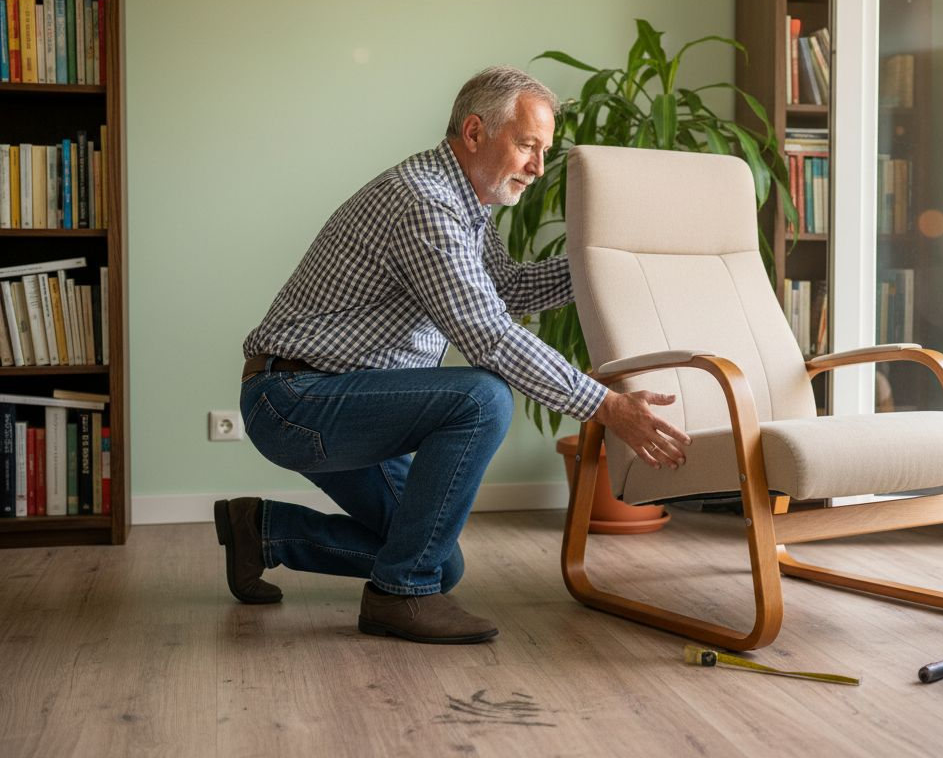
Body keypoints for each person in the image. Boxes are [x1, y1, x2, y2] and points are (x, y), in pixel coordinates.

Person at [217, 66, 691, 645]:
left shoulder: (464, 205)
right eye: (528, 146)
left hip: (338, 397)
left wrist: (599, 265)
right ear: (474, 132)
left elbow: (506, 290)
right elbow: (488, 333)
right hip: (297, 401)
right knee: (482, 398)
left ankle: (263, 531)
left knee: (438, 563)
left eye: (544, 151)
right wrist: (608, 407)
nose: (538, 168)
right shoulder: (426, 203)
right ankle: (398, 598)